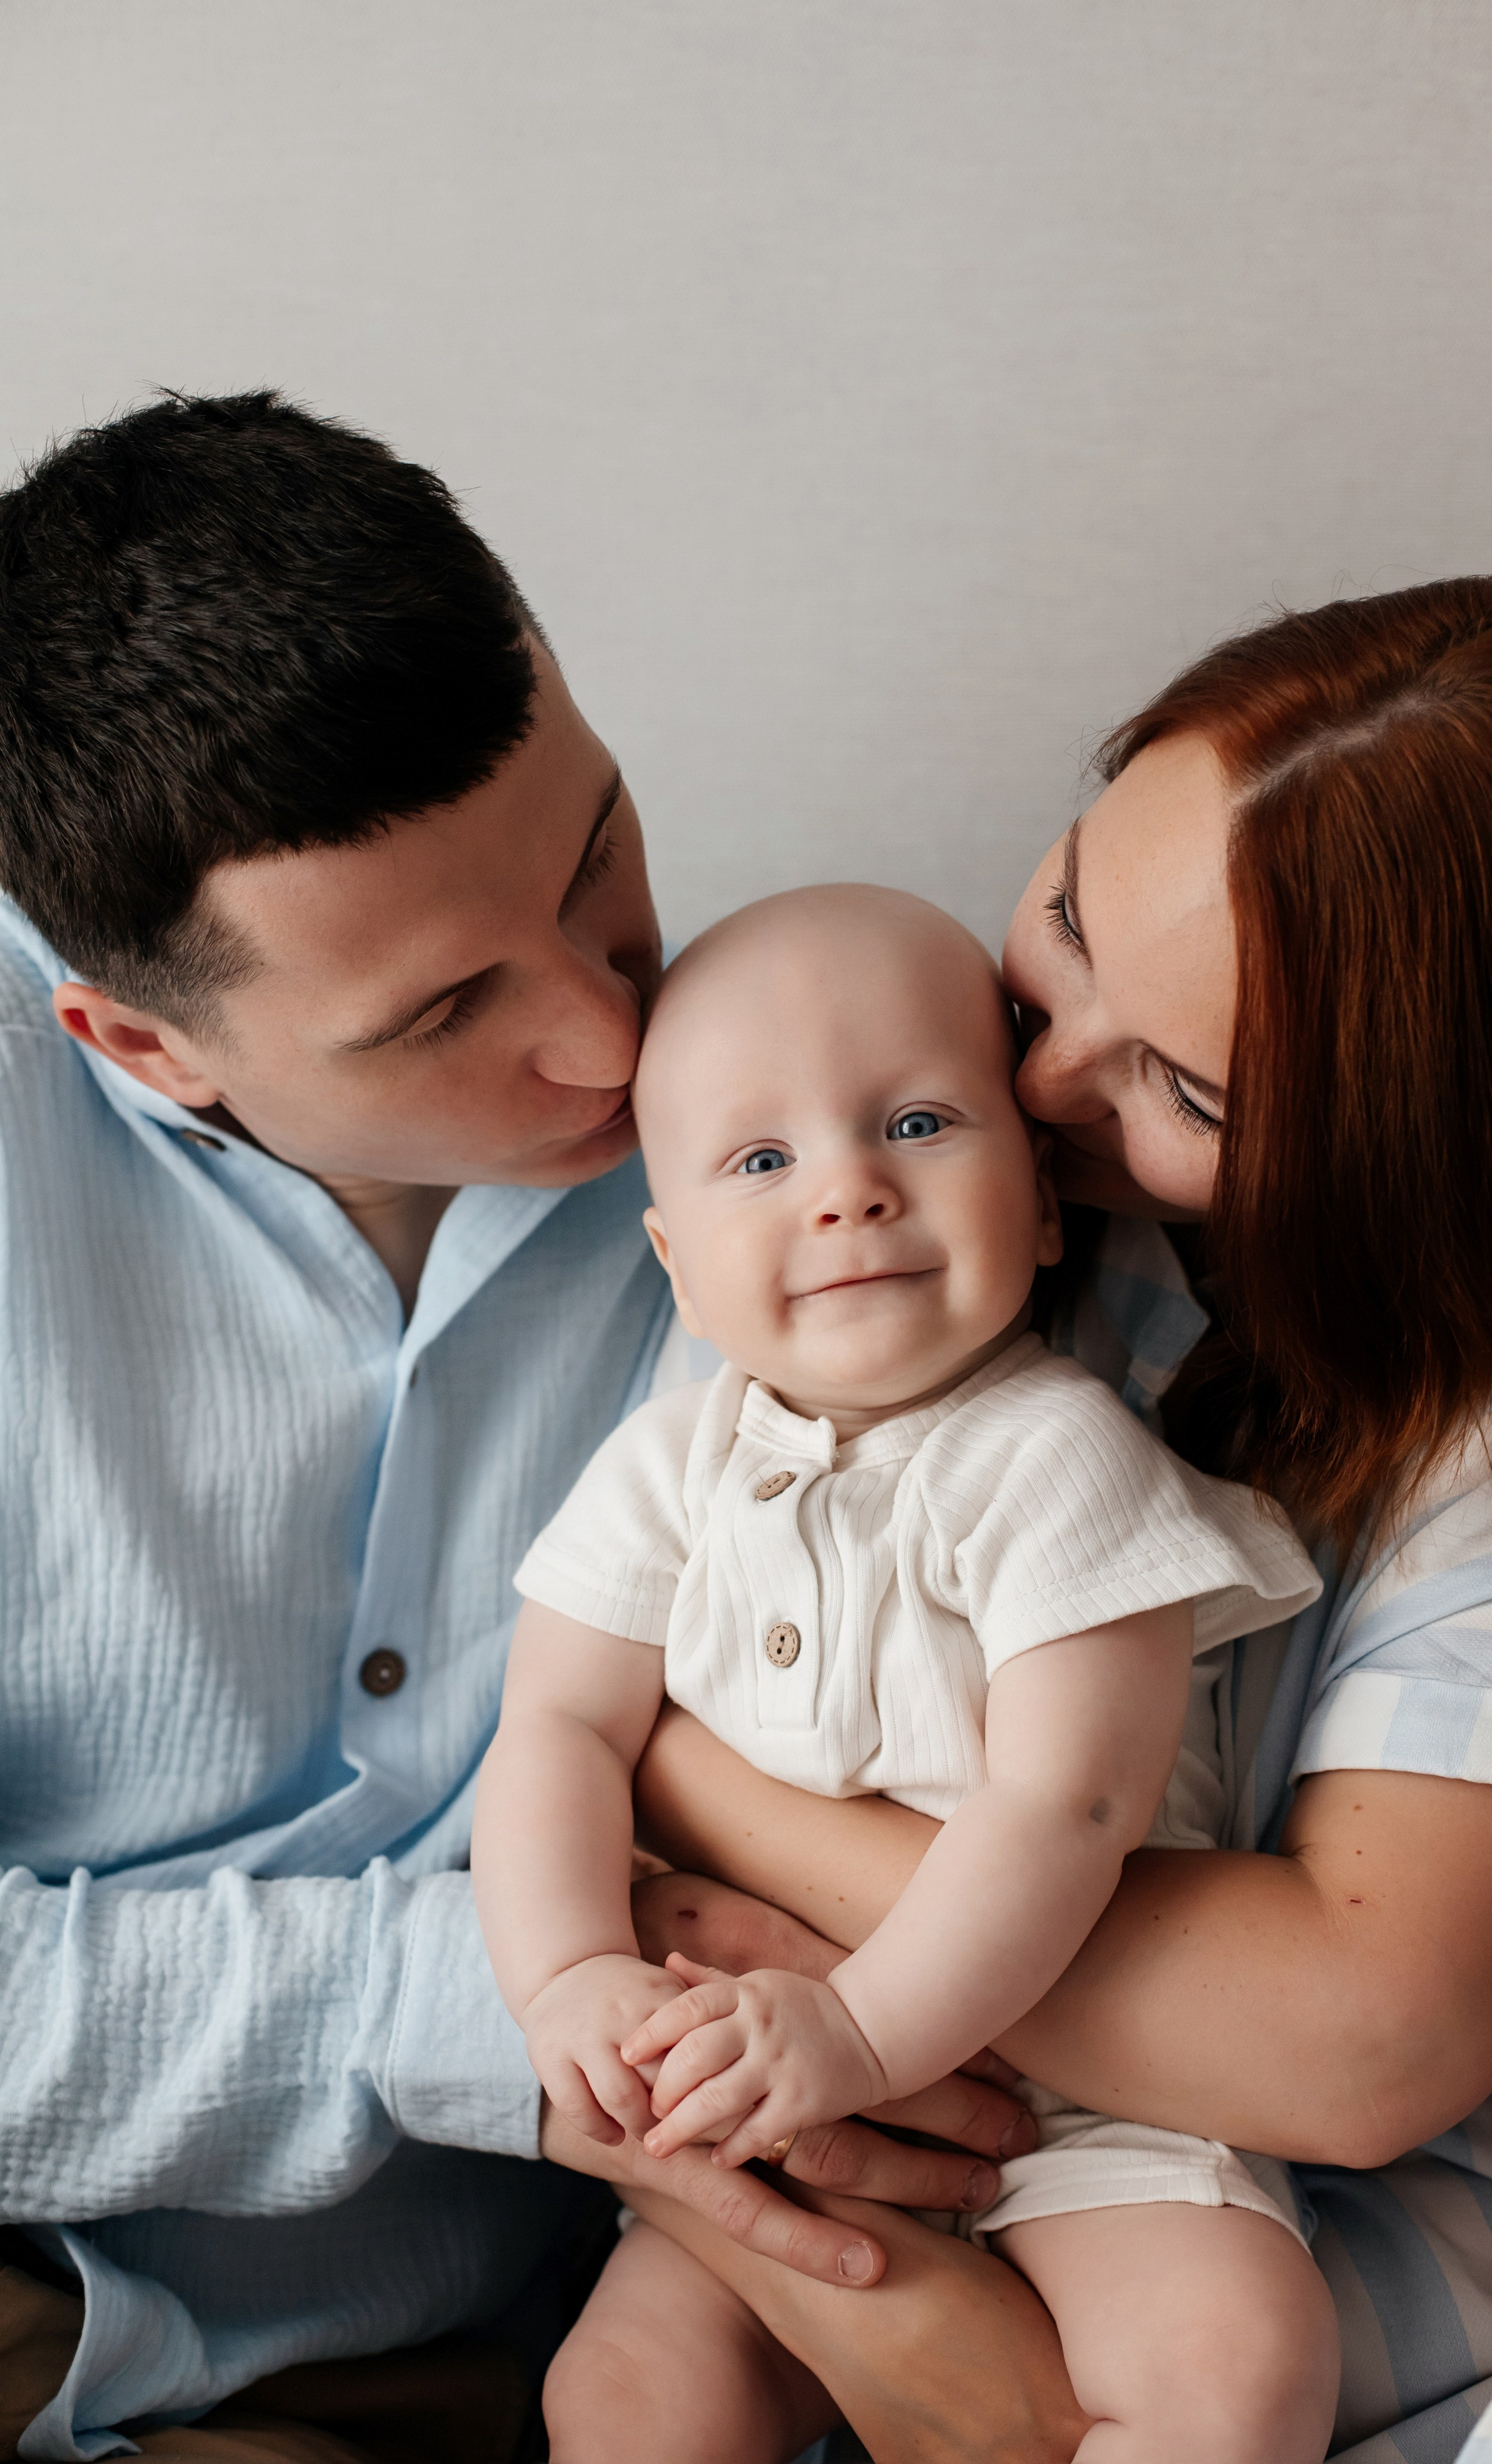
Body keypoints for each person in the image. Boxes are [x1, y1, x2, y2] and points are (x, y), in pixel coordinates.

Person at [0, 394, 1025, 2464]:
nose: (607, 1030)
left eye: (599, 856)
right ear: (143, 1043)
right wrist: (493, 1999)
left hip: (568, 2344)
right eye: (443, 1011)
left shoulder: (827, 1140)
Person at [530, 577, 1492, 2464]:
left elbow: (1351, 2036)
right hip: (821, 2135)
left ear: (1395, 1161)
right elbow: (572, 1704)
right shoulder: (858, 1203)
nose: (1037, 1077)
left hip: (1310, 2271)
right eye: (1065, 918)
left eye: (1184, 1088)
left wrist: (704, 1810)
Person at [474, 885, 1333, 2463]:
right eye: (759, 1161)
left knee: (1233, 2367)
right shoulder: (665, 1466)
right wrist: (568, 1975)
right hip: (755, 2065)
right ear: (674, 1262)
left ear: (1045, 1203)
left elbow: (1062, 1807)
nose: (848, 1192)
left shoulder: (1056, 1459)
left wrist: (862, 2037)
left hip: (1080, 2095)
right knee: (622, 2397)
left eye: (918, 1125)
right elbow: (557, 1729)